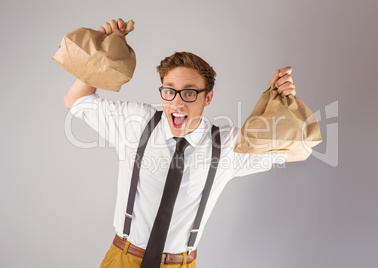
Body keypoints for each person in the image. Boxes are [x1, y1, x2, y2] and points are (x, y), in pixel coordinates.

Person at [64, 18, 304, 268]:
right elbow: (75, 100)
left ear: (208, 97)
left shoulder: (227, 144)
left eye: (189, 93)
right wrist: (104, 52)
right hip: (123, 259)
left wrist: (279, 101)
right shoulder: (136, 123)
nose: (177, 103)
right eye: (169, 91)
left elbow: (299, 151)